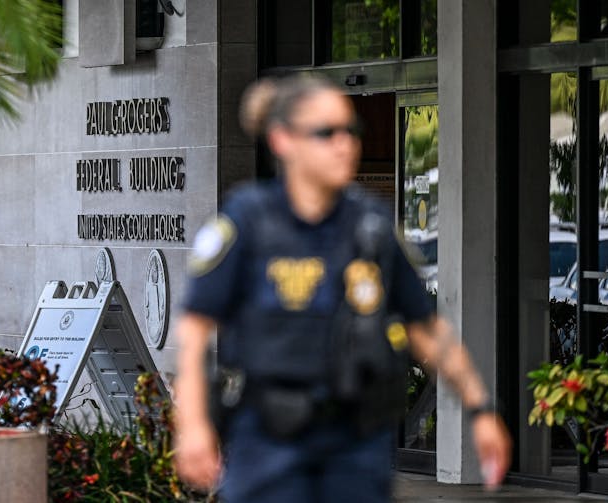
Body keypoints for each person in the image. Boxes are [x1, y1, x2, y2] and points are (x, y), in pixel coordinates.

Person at [173, 74, 511, 503]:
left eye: (351, 131)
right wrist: (193, 425)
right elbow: (196, 329)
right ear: (283, 140)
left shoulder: (371, 227)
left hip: (356, 443)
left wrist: (480, 410)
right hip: (268, 441)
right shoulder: (247, 221)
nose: (345, 144)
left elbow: (426, 330)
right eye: (326, 133)